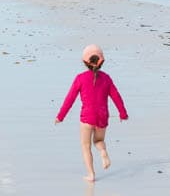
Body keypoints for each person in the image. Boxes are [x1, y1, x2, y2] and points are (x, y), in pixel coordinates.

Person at [55, 44, 128, 181]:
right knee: (99, 140)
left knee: (85, 145)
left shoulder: (80, 78)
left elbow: (70, 99)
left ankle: (91, 174)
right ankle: (103, 152)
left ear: (85, 62)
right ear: (102, 62)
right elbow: (116, 96)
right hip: (102, 116)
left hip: (87, 117)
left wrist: (60, 116)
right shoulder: (106, 78)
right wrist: (123, 114)